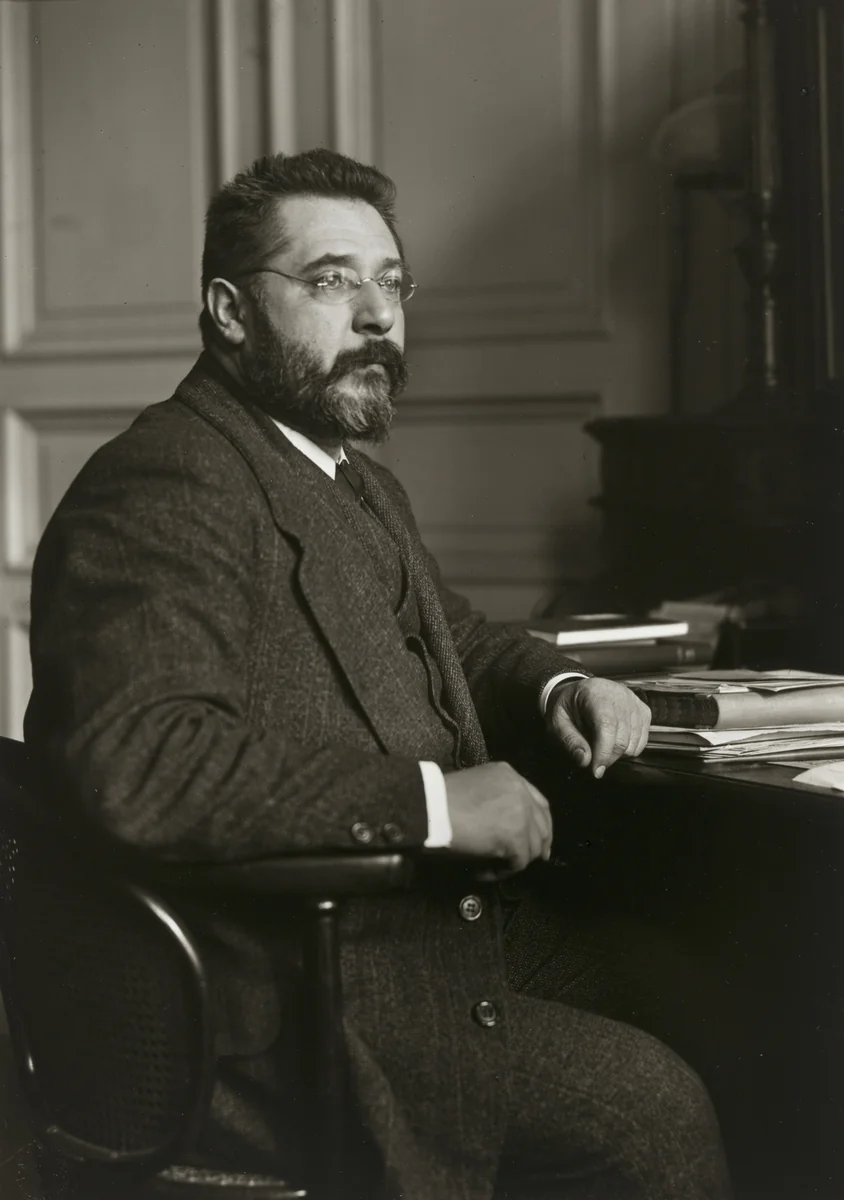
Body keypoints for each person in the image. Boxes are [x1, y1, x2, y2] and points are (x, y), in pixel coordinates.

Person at [24, 148, 731, 1200]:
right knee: (650, 1104)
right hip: (276, 986)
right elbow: (144, 761)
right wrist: (436, 805)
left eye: (390, 283)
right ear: (226, 311)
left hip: (397, 931)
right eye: (329, 281)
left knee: (711, 994)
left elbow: (451, 634)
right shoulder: (168, 481)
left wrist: (556, 684)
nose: (376, 317)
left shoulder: (343, 475)